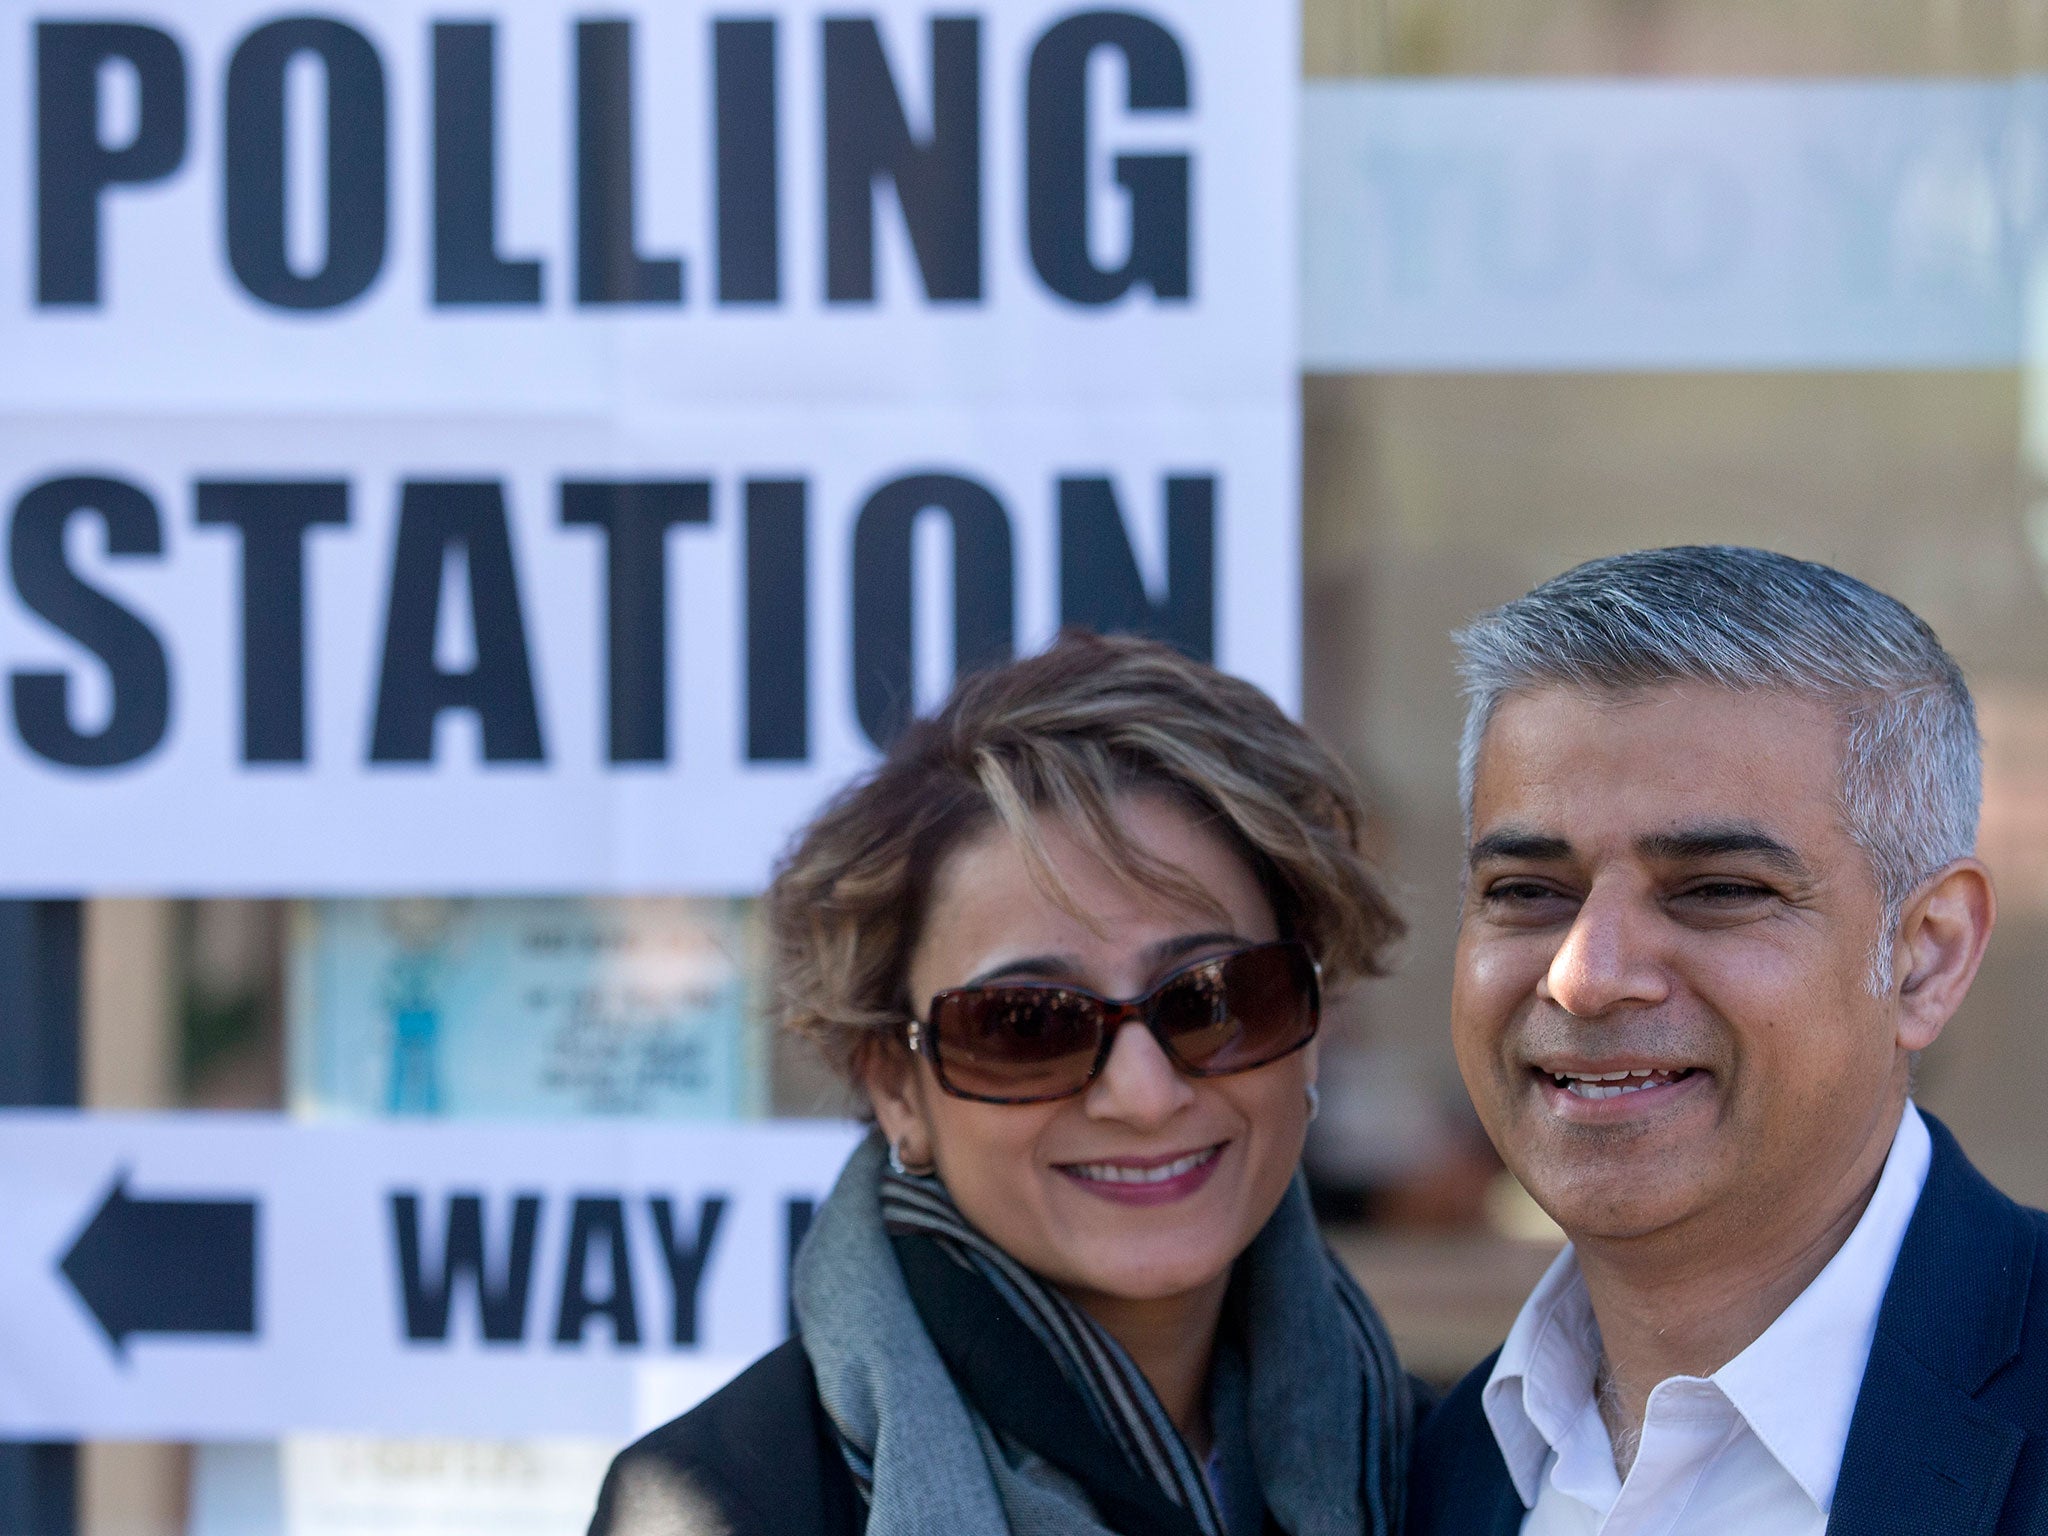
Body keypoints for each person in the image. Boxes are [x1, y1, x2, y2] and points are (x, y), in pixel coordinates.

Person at [588, 631, 1416, 1536]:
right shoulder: (716, 1506)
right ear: (898, 1088)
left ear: (1309, 1023)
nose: (1144, 1096)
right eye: (1029, 1024)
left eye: (1213, 1000)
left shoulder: (1454, 1471)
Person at [1406, 546, 2048, 1536]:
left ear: (1923, 957)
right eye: (1526, 891)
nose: (1585, 973)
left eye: (1716, 890)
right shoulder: (1433, 1468)